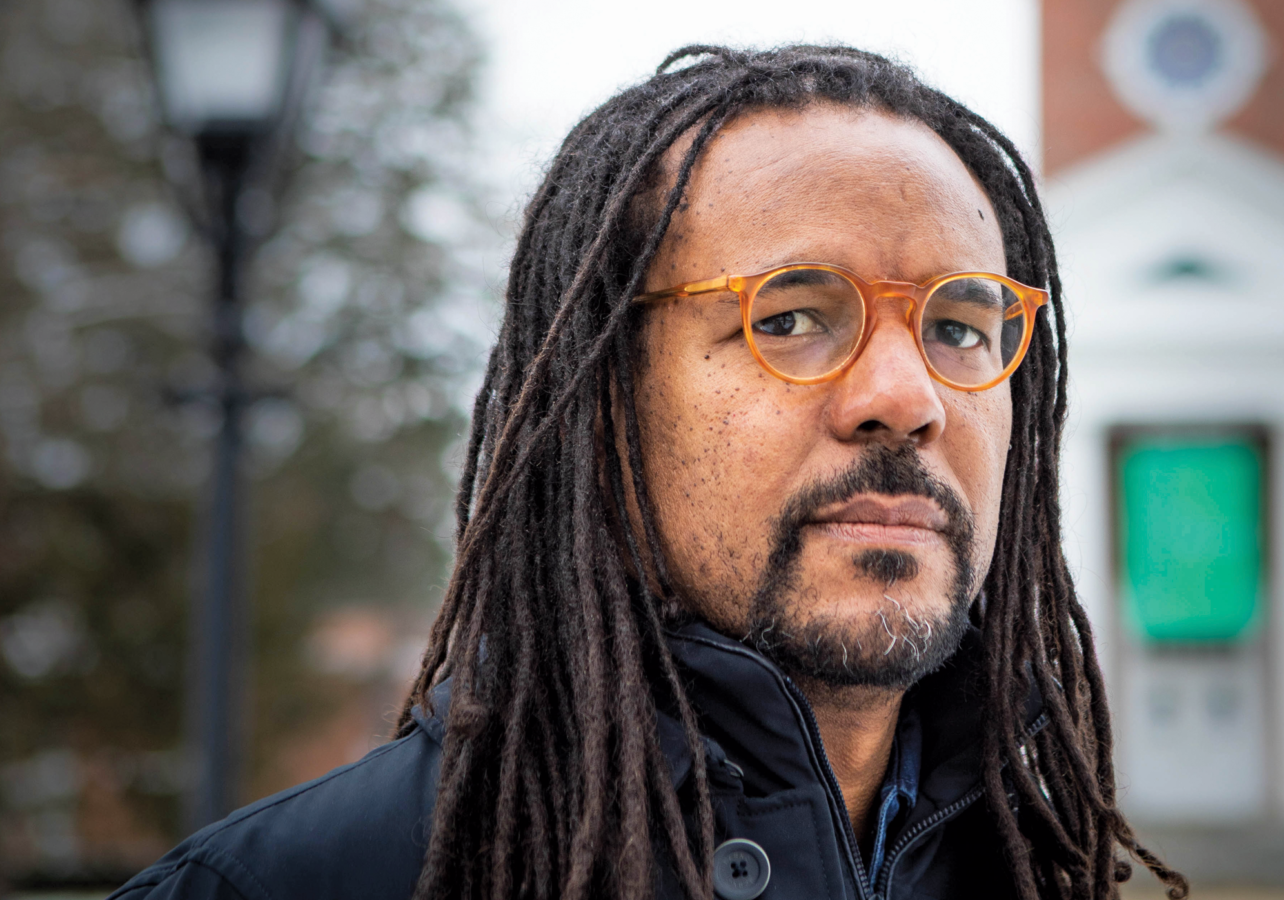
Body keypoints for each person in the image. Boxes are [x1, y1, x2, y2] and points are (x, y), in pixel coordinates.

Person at [112, 44, 1187, 900]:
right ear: (603, 400)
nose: (907, 398)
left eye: (960, 325)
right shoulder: (277, 886)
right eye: (795, 316)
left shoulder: (1042, 871)